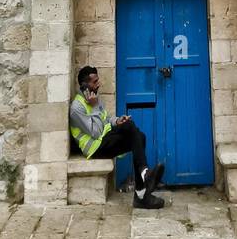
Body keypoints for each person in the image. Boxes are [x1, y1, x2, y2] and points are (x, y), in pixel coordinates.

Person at [69, 65, 165, 209]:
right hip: (95, 149)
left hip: (105, 140)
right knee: (131, 128)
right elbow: (95, 132)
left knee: (140, 136)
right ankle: (144, 180)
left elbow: (106, 118)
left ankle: (141, 193)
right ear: (84, 86)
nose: (98, 84)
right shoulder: (77, 108)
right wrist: (94, 107)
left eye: (98, 80)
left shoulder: (95, 97)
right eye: (94, 82)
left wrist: (117, 120)